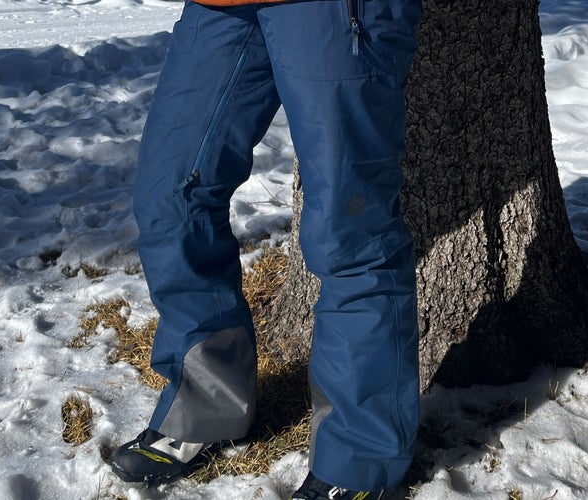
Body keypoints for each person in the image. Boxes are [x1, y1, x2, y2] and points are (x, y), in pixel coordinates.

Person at [111, 0, 422, 498]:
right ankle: (207, 405)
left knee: (351, 227)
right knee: (171, 197)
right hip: (221, 6)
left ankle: (358, 461)